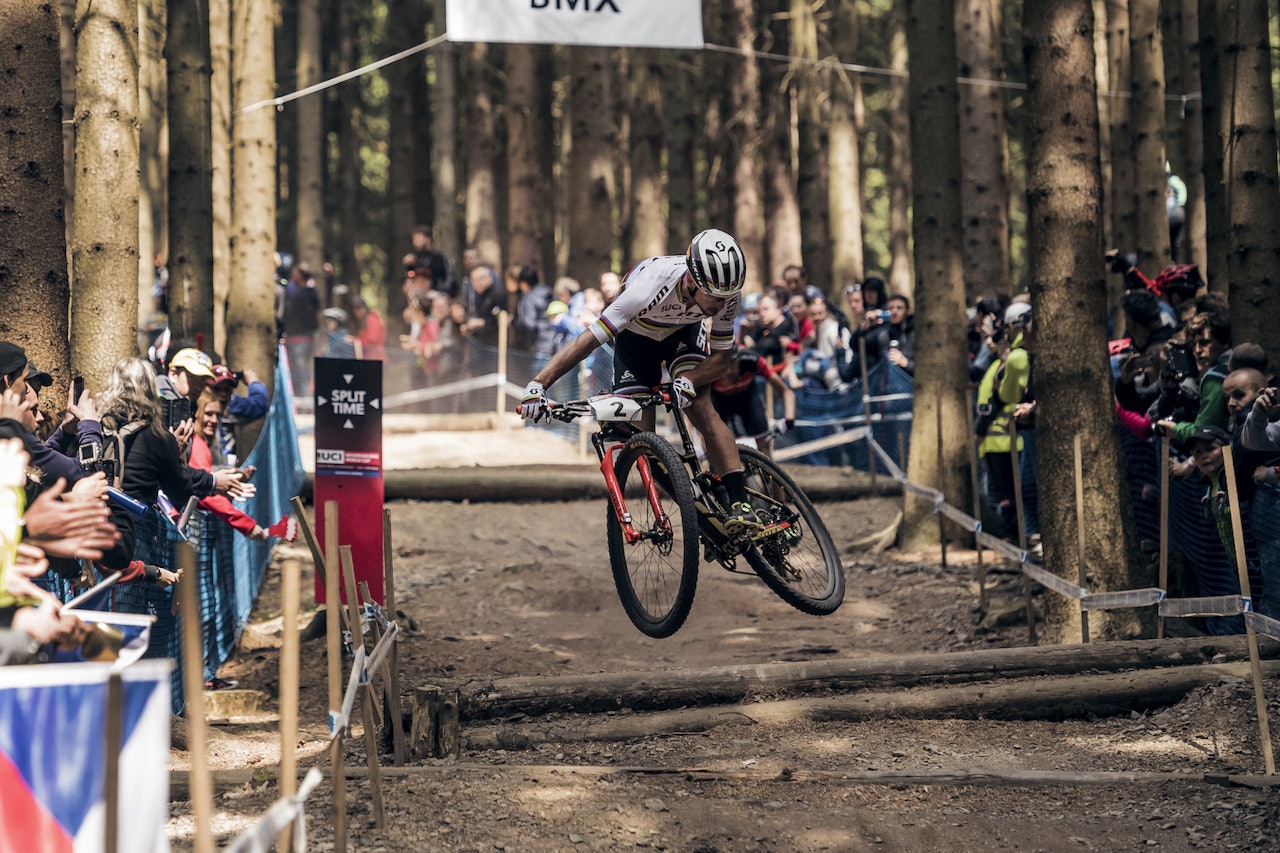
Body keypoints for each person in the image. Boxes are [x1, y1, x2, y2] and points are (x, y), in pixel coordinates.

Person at [521, 229, 770, 532]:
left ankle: (740, 503)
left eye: (725, 297)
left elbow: (721, 358)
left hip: (684, 334)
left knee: (701, 408)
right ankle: (698, 507)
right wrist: (539, 384)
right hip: (636, 339)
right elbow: (588, 340)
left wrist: (690, 380)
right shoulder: (647, 287)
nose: (720, 304)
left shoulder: (727, 294)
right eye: (713, 296)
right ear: (692, 280)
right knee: (644, 440)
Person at [711, 347, 796, 458]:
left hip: (748, 398)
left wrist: (789, 419)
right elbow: (694, 404)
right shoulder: (709, 368)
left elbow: (786, 391)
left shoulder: (752, 360)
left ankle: (767, 466)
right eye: (725, 366)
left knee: (763, 443)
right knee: (713, 443)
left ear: (739, 359)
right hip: (720, 401)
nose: (730, 371)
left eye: (733, 364)